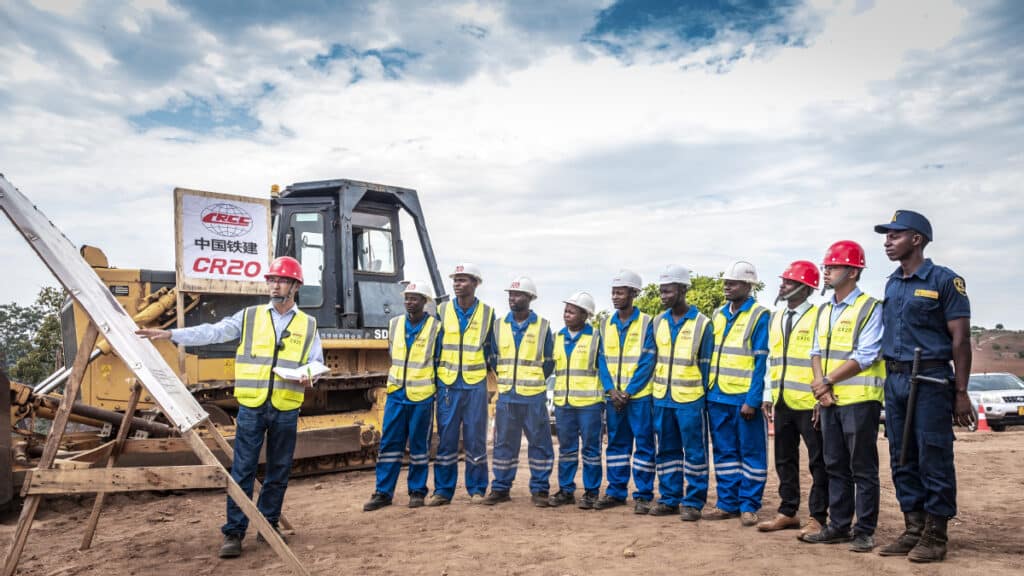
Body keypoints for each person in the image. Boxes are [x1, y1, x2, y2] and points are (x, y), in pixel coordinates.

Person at [137, 256, 321, 559]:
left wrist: (310, 374)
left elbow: (317, 361)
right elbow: (213, 331)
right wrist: (172, 334)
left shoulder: (308, 324)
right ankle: (234, 533)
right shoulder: (250, 316)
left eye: (281, 280)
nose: (274, 284)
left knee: (279, 470)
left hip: (286, 407)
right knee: (242, 469)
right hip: (251, 406)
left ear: (295, 286)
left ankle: (268, 525)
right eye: (271, 279)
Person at [874, 210, 973, 563]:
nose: (887, 241)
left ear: (916, 239)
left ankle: (935, 532)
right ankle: (913, 526)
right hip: (896, 377)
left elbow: (961, 341)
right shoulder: (892, 283)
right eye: (886, 236)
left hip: (931, 379)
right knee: (902, 455)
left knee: (934, 455)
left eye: (894, 235)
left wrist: (961, 393)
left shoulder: (945, 281)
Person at [800, 241, 885, 553]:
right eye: (826, 266)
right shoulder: (824, 311)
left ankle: (864, 530)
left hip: (859, 400)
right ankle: (838, 526)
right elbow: (815, 351)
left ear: (852, 271)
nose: (826, 272)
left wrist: (826, 382)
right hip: (829, 402)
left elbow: (866, 355)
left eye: (832, 267)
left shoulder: (870, 308)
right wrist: (821, 388)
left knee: (862, 467)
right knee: (834, 464)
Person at [757, 261, 828, 537]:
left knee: (818, 462)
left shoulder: (818, 316)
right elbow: (772, 359)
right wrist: (767, 394)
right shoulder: (776, 317)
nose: (782, 285)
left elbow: (824, 358)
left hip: (809, 403)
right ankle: (788, 512)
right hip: (782, 400)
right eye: (783, 280)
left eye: (788, 281)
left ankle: (818, 516)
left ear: (805, 287)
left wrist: (820, 399)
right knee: (784, 459)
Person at [364, 281, 440, 511]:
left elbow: (436, 361)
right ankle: (383, 492)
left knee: (419, 446)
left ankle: (417, 492)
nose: (409, 301)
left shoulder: (435, 328)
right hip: (397, 394)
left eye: (414, 298)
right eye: (407, 297)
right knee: (389, 444)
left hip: (422, 397)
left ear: (424, 302)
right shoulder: (395, 324)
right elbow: (392, 354)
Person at [706, 261, 770, 527]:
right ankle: (727, 503)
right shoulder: (718, 314)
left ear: (748, 285)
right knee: (724, 453)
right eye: (725, 283)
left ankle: (749, 505)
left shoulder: (760, 315)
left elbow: (761, 362)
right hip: (717, 396)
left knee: (751, 452)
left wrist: (752, 400)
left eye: (732, 283)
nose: (726, 287)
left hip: (743, 399)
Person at [648, 265, 714, 522]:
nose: (664, 295)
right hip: (662, 397)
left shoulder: (702, 324)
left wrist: (704, 400)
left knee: (695, 451)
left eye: (669, 290)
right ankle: (669, 498)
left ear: (683, 289)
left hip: (690, 400)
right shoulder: (657, 322)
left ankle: (694, 501)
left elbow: (707, 364)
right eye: (662, 291)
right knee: (666, 450)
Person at [484, 276, 555, 507]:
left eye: (517, 295)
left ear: (530, 298)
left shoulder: (543, 326)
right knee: (504, 443)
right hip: (507, 396)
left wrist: (531, 380)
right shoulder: (498, 325)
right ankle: (501, 488)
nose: (512, 299)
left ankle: (540, 490)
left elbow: (548, 362)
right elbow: (493, 358)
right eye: (510, 295)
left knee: (540, 444)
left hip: (533, 397)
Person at [431, 263, 496, 506]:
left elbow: (492, 352)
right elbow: (436, 347)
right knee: (446, 438)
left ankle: (477, 489)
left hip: (475, 385)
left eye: (463, 280)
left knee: (475, 438)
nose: (457, 284)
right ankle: (443, 491)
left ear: (475, 284)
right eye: (455, 280)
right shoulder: (442, 310)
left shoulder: (488, 314)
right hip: (448, 384)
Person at [595, 269, 657, 514]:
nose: (615, 296)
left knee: (643, 445)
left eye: (620, 292)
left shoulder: (647, 323)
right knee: (616, 446)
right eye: (613, 292)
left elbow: (647, 361)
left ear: (634, 293)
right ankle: (616, 491)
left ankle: (643, 494)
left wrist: (628, 392)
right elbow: (601, 360)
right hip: (614, 399)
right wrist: (611, 390)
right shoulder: (604, 323)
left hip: (638, 398)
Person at [549, 291, 606, 509]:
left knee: (591, 450)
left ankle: (591, 492)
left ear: (585, 315)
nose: (567, 315)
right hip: (564, 404)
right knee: (566, 449)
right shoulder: (558, 337)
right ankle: (566, 490)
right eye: (566, 310)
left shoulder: (596, 338)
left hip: (589, 405)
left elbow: (603, 370)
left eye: (572, 311)